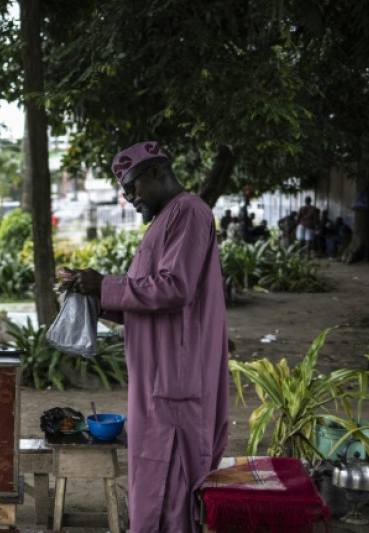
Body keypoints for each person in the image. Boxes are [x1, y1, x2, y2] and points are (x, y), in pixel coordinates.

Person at [57, 141, 229, 532]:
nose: (129, 197)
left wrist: (106, 285)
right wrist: (95, 296)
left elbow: (175, 288)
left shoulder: (187, 212)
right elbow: (147, 299)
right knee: (151, 482)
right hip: (157, 378)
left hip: (176, 381)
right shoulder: (167, 219)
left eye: (132, 186)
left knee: (171, 489)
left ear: (157, 172)